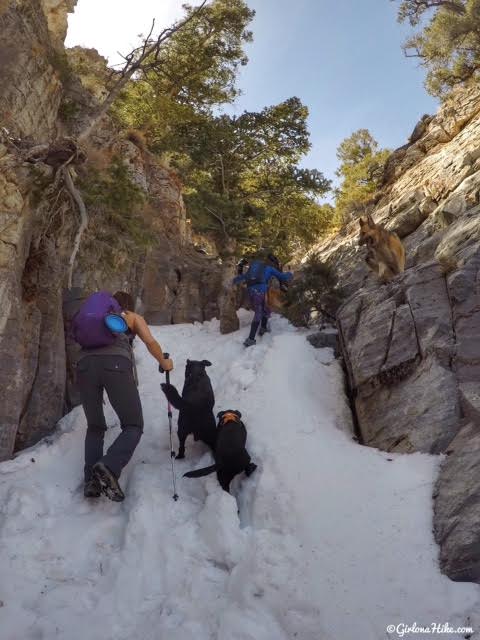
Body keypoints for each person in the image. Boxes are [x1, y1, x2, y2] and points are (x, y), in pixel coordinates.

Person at [73, 290, 173, 501]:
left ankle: (91, 481)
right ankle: (108, 466)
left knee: (95, 426)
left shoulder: (93, 320)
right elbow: (150, 343)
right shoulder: (130, 316)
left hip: (84, 366)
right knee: (133, 425)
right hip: (115, 365)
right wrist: (165, 363)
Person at [234, 255, 293, 347]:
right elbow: (283, 277)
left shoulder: (251, 270)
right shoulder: (269, 268)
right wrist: (290, 273)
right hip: (261, 291)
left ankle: (263, 328)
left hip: (251, 292)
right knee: (259, 312)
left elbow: (241, 278)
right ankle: (251, 339)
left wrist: (233, 280)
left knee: (265, 307)